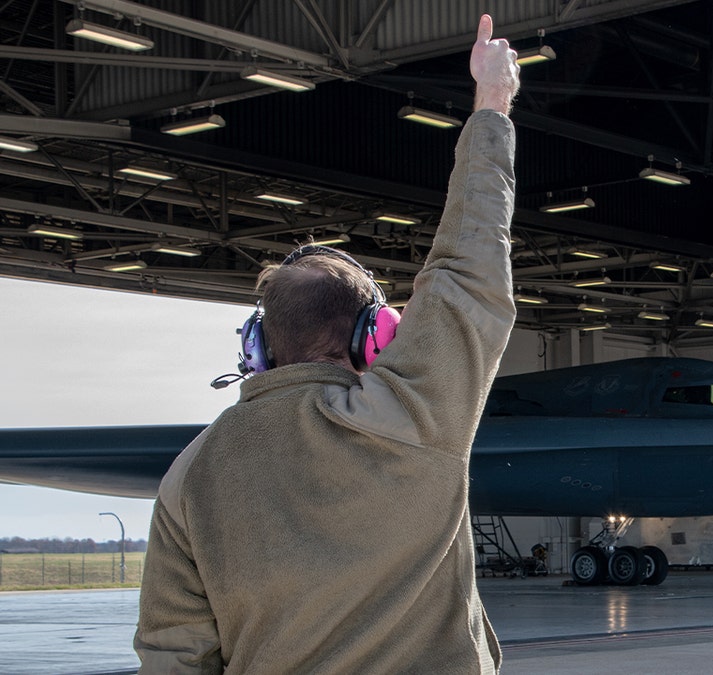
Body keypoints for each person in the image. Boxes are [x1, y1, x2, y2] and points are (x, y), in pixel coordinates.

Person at [134, 14, 519, 674]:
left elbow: (173, 656)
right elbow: (468, 269)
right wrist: (491, 104)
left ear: (257, 349)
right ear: (377, 339)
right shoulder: (415, 413)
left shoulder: (191, 476)